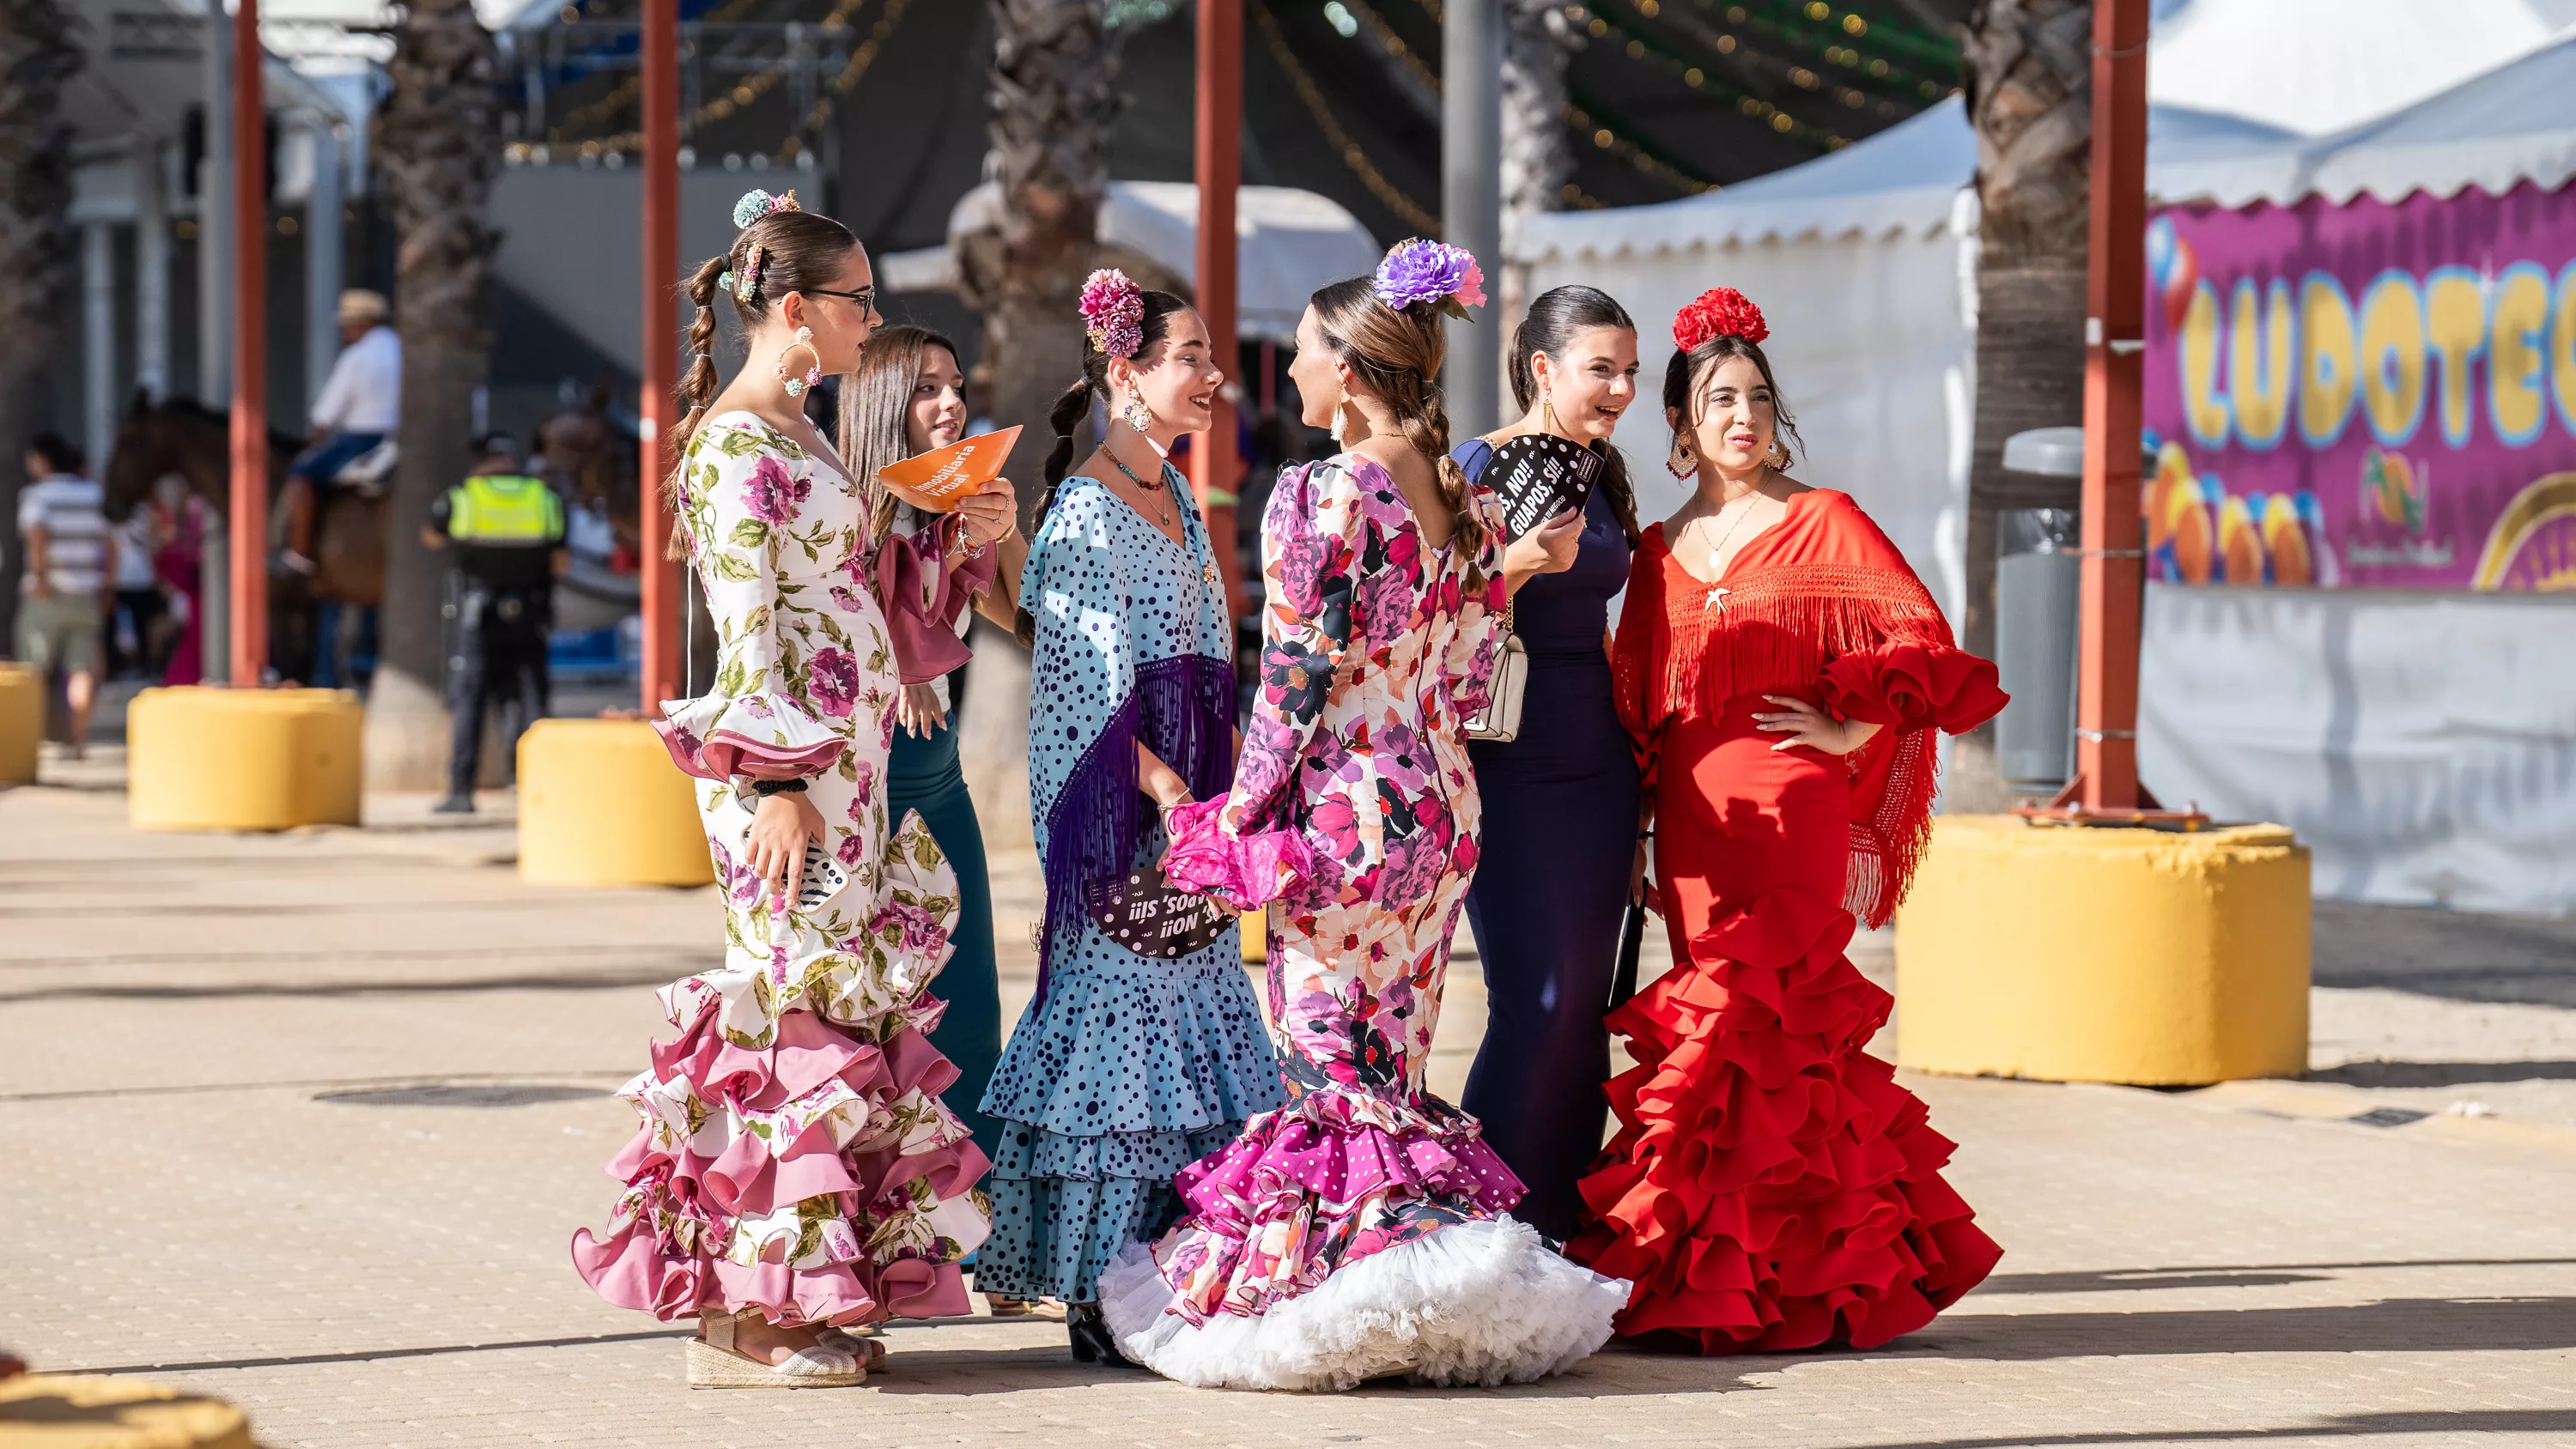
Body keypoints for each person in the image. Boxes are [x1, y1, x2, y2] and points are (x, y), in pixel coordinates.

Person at [1097, 245, 1626, 1391]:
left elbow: (1293, 678)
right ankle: (1424, 1281)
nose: (1287, 366)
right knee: (1390, 1063)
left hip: (1338, 819)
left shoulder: (1323, 494)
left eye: (1304, 347)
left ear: (1352, 366)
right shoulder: (1460, 496)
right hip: (1438, 815)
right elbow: (1478, 660)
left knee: (1329, 1074)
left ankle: (1348, 1302)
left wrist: (1240, 813)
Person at [571, 189, 1001, 1389]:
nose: (877, 319)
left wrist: (957, 538)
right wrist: (774, 782)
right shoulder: (735, 443)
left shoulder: (804, 435)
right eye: (860, 300)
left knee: (830, 1016)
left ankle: (779, 1306)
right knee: (789, 1027)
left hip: (844, 782)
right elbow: (747, 637)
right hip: (791, 786)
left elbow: (855, 610)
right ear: (800, 309)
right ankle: (760, 1320)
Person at [1569, 288, 2008, 1353]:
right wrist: (1635, 836)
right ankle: (1711, 1277)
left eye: (1758, 398)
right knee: (1708, 1045)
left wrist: (1856, 732)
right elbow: (1636, 704)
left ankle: (1818, 1280)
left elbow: (1926, 644)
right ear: (1680, 422)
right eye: (1719, 400)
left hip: (1796, 816)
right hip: (1691, 832)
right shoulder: (1660, 549)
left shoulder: (1831, 520)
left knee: (1782, 1032)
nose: (1743, 418)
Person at [974, 271, 1284, 1363]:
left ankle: (1179, 1269)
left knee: (1193, 1041)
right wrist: (1164, 794)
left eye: (1209, 356)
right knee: (1119, 1044)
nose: (1212, 376)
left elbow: (1209, 661)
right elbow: (1079, 684)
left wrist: (1238, 776)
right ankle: (1101, 1290)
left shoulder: (1177, 493)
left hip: (1193, 813)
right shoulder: (1088, 510)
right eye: (1190, 356)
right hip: (1135, 819)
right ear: (1125, 372)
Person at [835, 324, 1040, 1315]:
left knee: (971, 1015)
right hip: (862, 806)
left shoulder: (953, 505)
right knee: (876, 1027)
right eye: (925, 391)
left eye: (956, 385)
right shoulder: (843, 514)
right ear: (882, 407)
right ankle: (882, 1250)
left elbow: (1022, 616)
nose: (951, 405)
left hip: (940, 787)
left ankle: (985, 1244)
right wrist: (906, 660)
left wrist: (1000, 529)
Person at [1444, 285, 1643, 1246]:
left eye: (1630, 372)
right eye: (1601, 368)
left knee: (1587, 1005)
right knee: (1538, 997)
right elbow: (1425, 610)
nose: (1620, 388)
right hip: (1506, 760)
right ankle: (1493, 1224)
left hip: (1600, 762)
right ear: (1542, 369)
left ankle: (1565, 1220)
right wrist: (1517, 562)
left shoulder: (1603, 470)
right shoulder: (1479, 462)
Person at [423, 435, 565, 815]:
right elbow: (561, 561)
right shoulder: (544, 497)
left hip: (477, 617)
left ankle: (460, 792)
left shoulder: (461, 497)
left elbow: (433, 537)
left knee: (469, 699)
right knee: (533, 700)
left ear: (477, 463)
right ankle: (541, 788)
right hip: (530, 615)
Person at [283, 290, 401, 573]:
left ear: (362, 323)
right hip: (398, 439)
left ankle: (298, 553)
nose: (343, 329)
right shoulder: (402, 349)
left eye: (347, 323)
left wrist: (314, 441)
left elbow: (326, 413)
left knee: (301, 473)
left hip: (361, 438)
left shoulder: (357, 357)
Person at [14, 433, 113, 757]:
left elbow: (37, 535)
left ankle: (29, 741)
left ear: (42, 460)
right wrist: (107, 585)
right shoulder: (94, 495)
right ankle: (78, 740)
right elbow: (111, 545)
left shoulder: (38, 496)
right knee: (82, 669)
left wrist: (41, 577)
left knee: (32, 669)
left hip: (48, 593)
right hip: (87, 595)